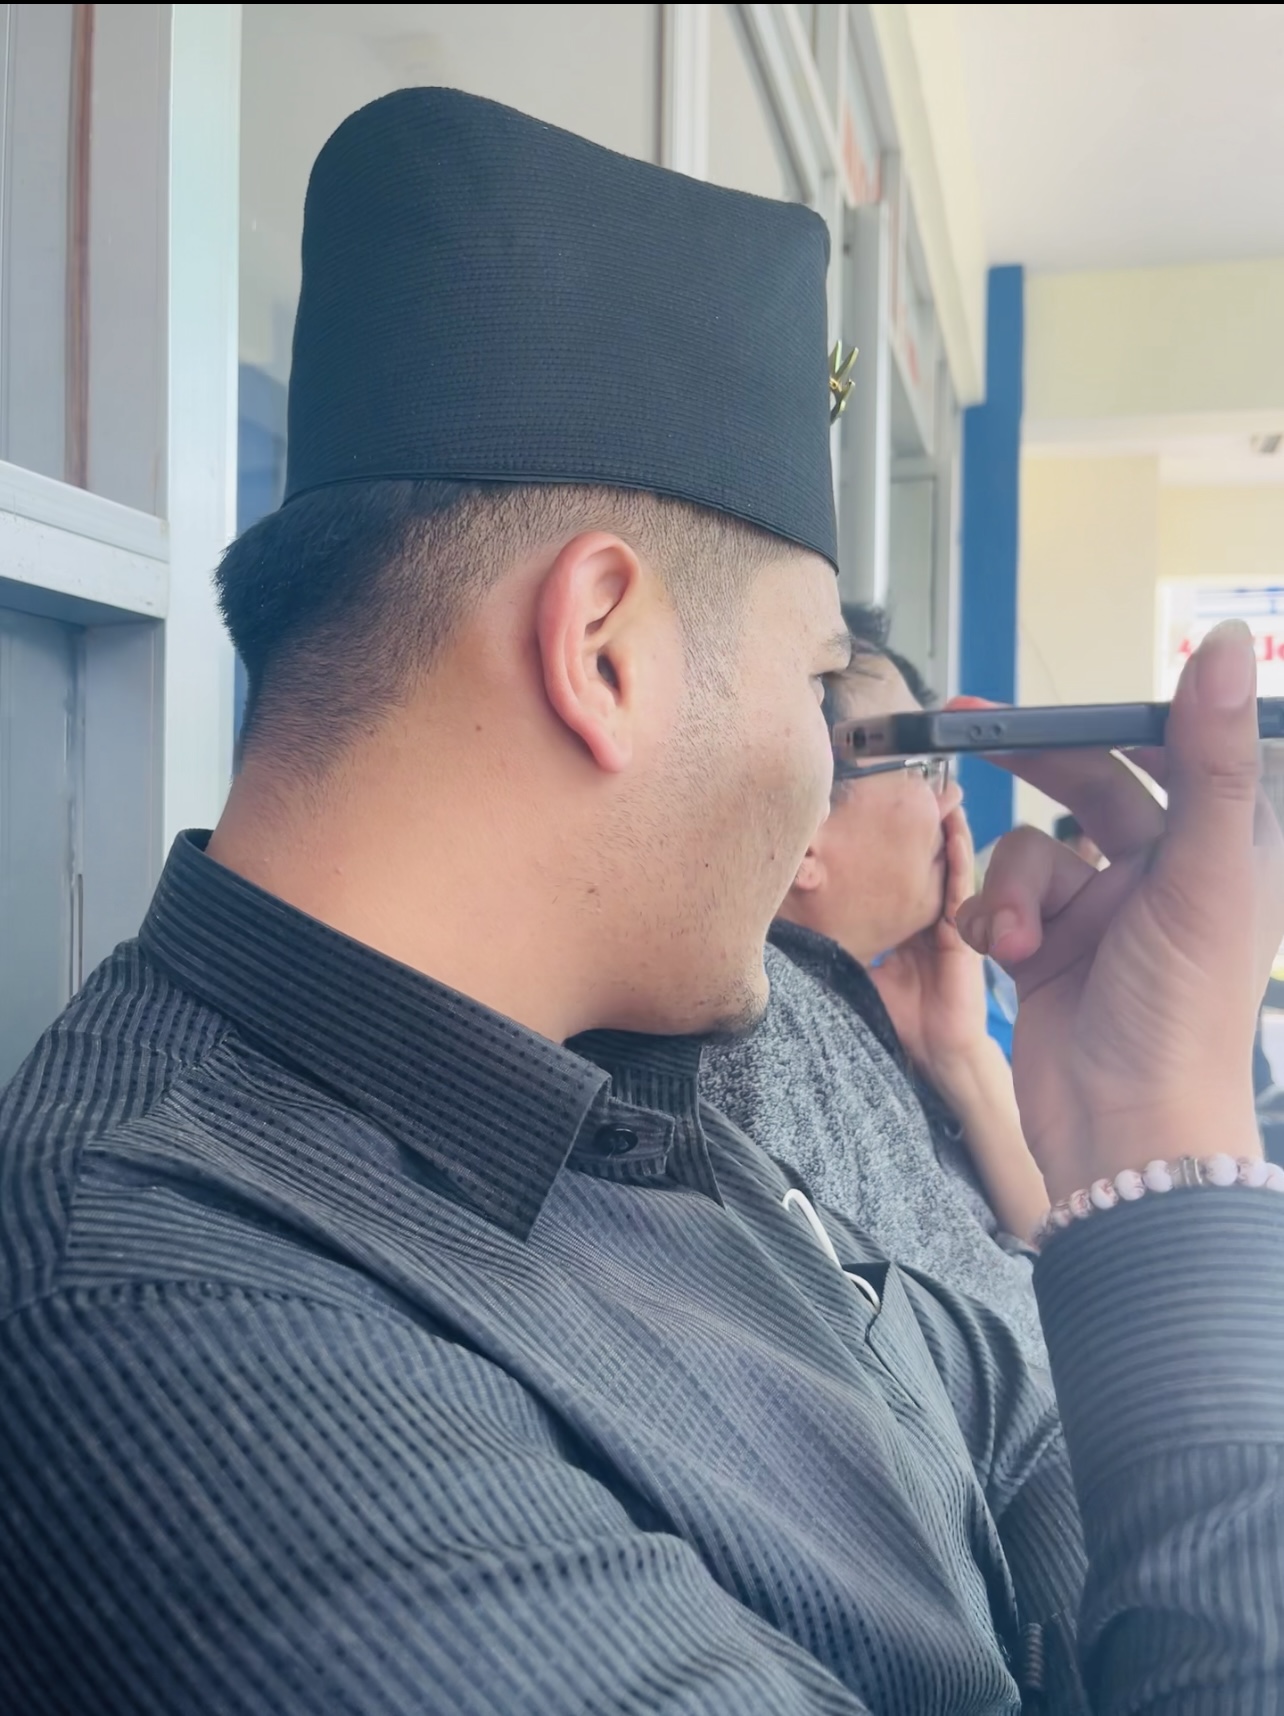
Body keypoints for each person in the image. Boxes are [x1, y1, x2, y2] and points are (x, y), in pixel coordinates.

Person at [2, 88, 1283, 1716]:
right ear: (602, 652)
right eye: (819, 685)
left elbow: (1010, 1428)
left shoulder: (625, 1089)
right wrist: (1171, 1147)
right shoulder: (174, 1314)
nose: (824, 772)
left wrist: (1120, 1148)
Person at [702, 606, 1049, 1362]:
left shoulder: (844, 1016)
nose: (953, 802)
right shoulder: (762, 1041)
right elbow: (1043, 1350)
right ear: (802, 829)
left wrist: (961, 1056)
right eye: (925, 767)